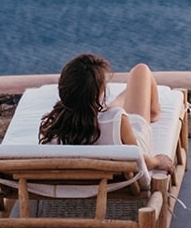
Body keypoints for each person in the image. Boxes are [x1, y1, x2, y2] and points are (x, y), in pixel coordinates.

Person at [40, 54, 175, 173]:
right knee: (141, 71)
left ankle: (116, 102)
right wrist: (157, 161)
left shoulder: (51, 128)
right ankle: (153, 112)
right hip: (122, 147)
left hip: (102, 124)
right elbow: (138, 158)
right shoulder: (117, 120)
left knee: (114, 107)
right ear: (99, 93)